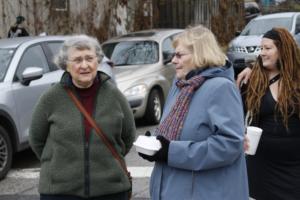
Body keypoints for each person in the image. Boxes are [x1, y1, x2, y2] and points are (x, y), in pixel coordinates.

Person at [138, 25, 249, 200]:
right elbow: (173, 134)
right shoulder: (180, 85)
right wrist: (156, 145)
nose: (173, 60)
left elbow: (230, 144)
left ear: (199, 55)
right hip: (171, 188)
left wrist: (170, 152)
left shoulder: (221, 88)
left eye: (179, 55)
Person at [29, 35, 135, 200]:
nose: (84, 65)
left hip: (110, 191)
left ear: (97, 61)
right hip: (60, 193)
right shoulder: (51, 98)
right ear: (66, 65)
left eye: (89, 58)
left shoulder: (114, 95)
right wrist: (58, 165)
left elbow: (128, 137)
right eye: (77, 60)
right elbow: (36, 139)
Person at [240, 27, 300, 200]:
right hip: (262, 167)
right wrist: (239, 135)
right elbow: (235, 114)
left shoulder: (297, 78)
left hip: (295, 167)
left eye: (267, 48)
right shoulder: (253, 79)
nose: (262, 53)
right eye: (261, 48)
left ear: (282, 49)